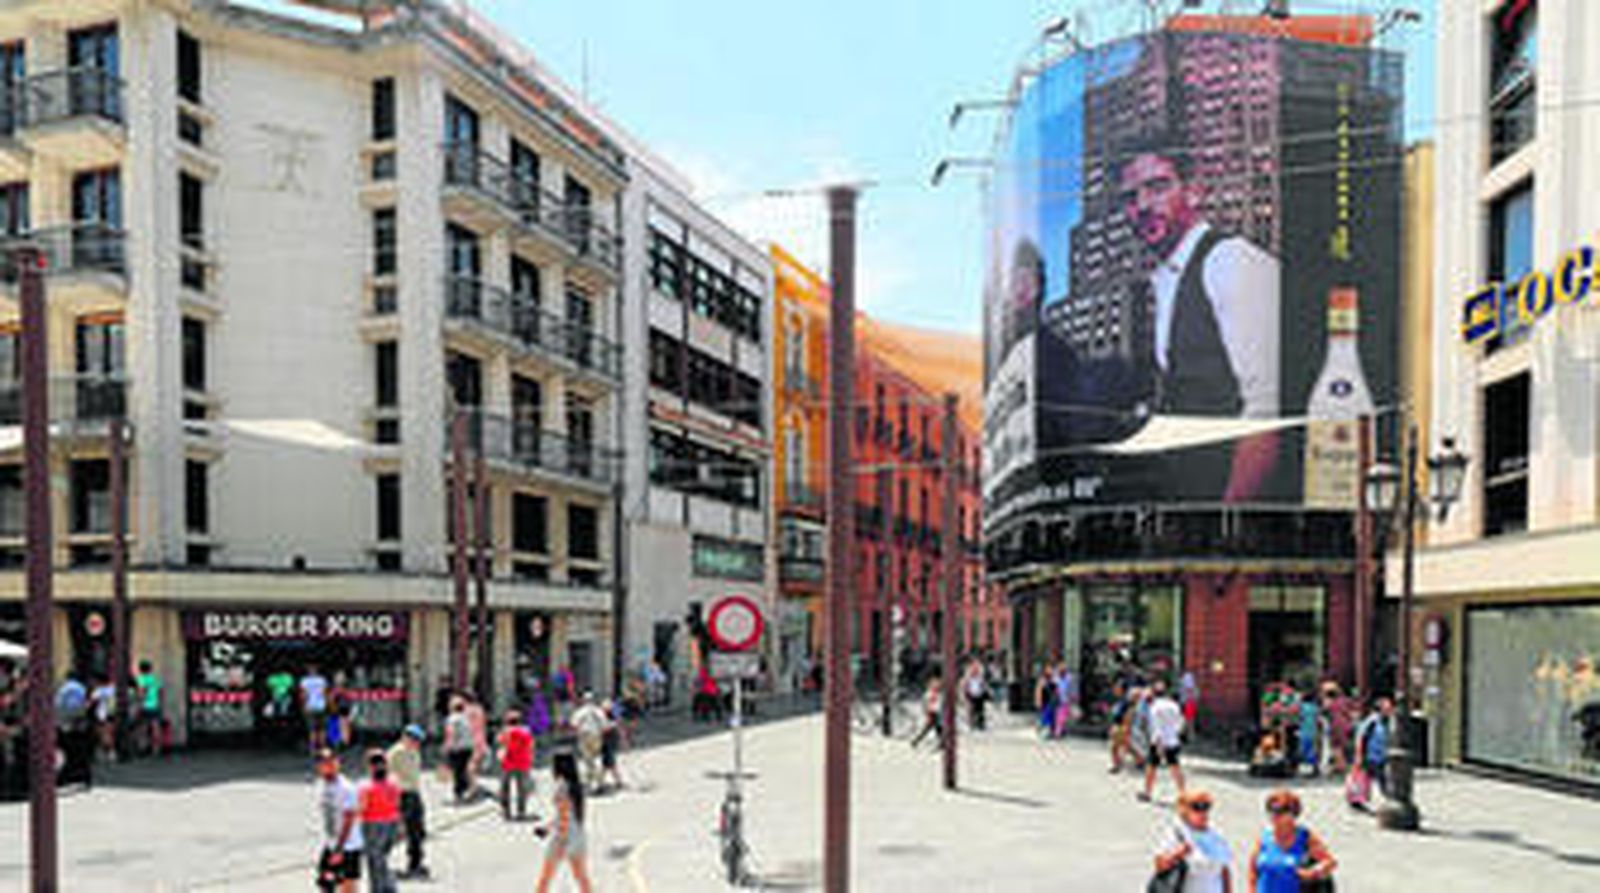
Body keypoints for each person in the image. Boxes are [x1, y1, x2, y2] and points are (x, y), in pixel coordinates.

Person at [1118, 141, 1283, 503]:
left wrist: (1227, 523)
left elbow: (1267, 413)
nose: (1143, 206)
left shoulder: (1229, 261)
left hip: (1231, 524)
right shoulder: (1166, 280)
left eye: (1158, 187)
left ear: (1193, 191)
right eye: (1130, 197)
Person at [1248, 789, 1336, 892]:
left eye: (1279, 811)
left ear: (1292, 814)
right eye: (1270, 810)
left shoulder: (1304, 837)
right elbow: (1252, 872)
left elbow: (1330, 862)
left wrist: (1313, 872)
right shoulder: (1264, 838)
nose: (1273, 815)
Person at [1152, 789, 1233, 893]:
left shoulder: (1215, 835)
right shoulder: (1177, 833)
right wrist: (1178, 854)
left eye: (1206, 806)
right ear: (1184, 810)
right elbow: (1159, 865)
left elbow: (1224, 871)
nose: (1202, 812)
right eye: (1196, 807)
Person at [535, 750, 593, 893]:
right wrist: (547, 828)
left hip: (564, 835)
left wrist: (561, 839)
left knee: (545, 878)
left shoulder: (561, 786)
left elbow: (564, 814)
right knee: (581, 878)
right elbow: (569, 814)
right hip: (578, 834)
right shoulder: (576, 786)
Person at [312, 748, 363, 893]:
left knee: (348, 884)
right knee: (325, 882)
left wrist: (339, 850)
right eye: (324, 763)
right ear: (319, 767)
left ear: (338, 764)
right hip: (331, 842)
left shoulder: (346, 788)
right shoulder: (322, 784)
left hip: (348, 845)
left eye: (332, 762)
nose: (329, 766)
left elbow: (349, 819)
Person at [385, 725, 430, 880]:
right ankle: (381, 861)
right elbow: (388, 774)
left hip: (414, 793)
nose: (417, 743)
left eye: (419, 741)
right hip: (402, 794)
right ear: (406, 737)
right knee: (401, 830)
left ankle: (416, 863)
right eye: (414, 740)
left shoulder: (414, 752)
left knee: (418, 830)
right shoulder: (396, 752)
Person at [357, 748, 401, 893]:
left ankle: (381, 888)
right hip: (391, 824)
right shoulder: (393, 783)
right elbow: (397, 805)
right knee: (382, 857)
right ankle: (388, 885)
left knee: (374, 860)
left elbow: (361, 807)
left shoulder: (366, 786)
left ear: (369, 767)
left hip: (372, 825)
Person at [1141, 681, 1187, 803]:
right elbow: (1181, 722)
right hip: (1173, 740)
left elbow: (1157, 727)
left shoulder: (1155, 707)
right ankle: (1183, 793)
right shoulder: (1174, 705)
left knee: (1151, 767)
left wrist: (1158, 744)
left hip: (1159, 742)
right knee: (1175, 767)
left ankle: (1147, 792)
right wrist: (1176, 734)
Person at [1352, 695, 1393, 803]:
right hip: (1370, 755)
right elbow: (1361, 737)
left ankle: (1388, 797)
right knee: (1364, 777)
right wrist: (1359, 755)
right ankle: (1357, 797)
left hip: (1381, 755)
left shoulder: (1388, 721)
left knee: (1380, 778)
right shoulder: (1372, 721)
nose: (1390, 710)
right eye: (1387, 708)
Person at [55, 672, 92, 787]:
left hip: (66, 723)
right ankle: (80, 775)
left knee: (69, 751)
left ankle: (68, 776)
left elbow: (61, 705)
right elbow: (80, 707)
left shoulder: (64, 689)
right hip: (77, 723)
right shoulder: (81, 689)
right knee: (78, 751)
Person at [497, 709, 535, 821]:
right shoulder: (526, 731)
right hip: (523, 762)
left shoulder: (505, 731)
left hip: (508, 762)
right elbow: (531, 745)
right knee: (522, 788)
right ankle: (521, 811)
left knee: (505, 787)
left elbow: (500, 742)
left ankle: (506, 811)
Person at [570, 692, 608, 792]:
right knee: (597, 757)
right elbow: (605, 725)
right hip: (596, 735)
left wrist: (577, 733)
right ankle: (600, 782)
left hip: (584, 736)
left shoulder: (579, 712)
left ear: (583, 700)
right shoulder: (598, 711)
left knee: (587, 759)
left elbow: (574, 724)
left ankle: (589, 782)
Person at [442, 696, 474, 803]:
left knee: (456, 771)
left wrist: (447, 746)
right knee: (462, 769)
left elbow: (451, 733)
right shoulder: (465, 718)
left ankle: (458, 793)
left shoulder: (452, 719)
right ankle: (464, 790)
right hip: (468, 747)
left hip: (457, 748)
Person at [135, 660, 164, 756]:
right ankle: (156, 749)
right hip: (155, 705)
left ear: (140, 669)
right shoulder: (155, 679)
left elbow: (142, 692)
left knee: (143, 727)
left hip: (145, 706)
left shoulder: (141, 679)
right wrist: (159, 703)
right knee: (156, 727)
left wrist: (139, 704)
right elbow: (160, 692)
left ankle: (142, 747)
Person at [301, 664, 330, 752]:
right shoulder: (322, 680)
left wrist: (304, 706)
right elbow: (324, 694)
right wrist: (328, 704)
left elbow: (304, 695)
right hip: (321, 706)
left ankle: (313, 748)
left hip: (310, 706)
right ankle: (323, 747)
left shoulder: (304, 681)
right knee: (322, 728)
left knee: (312, 729)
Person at [910, 675, 943, 750]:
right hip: (932, 712)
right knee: (929, 729)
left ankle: (942, 743)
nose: (938, 685)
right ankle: (915, 741)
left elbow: (939, 703)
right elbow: (925, 704)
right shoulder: (929, 693)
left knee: (938, 729)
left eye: (938, 684)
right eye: (935, 684)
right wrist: (927, 713)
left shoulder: (938, 693)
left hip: (936, 712)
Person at [89, 674, 116, 763]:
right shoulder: (113, 689)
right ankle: (111, 752)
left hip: (101, 714)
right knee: (109, 732)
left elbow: (91, 701)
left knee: (103, 734)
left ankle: (108, 752)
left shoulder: (99, 691)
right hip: (112, 713)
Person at [599, 698, 625, 791]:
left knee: (608, 764)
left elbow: (619, 729)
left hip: (609, 744)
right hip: (606, 744)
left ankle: (602, 783)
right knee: (609, 764)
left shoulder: (611, 719)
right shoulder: (604, 718)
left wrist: (622, 741)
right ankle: (617, 781)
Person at [1297, 688, 1322, 776]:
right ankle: (1314, 767)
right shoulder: (1315, 707)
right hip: (1313, 730)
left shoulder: (1301, 707)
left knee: (1304, 749)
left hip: (1303, 730)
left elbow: (1299, 718)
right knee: (1312, 749)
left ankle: (1306, 768)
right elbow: (1318, 719)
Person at [963, 659, 988, 731]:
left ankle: (980, 724)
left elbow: (983, 685)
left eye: (977, 668)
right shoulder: (968, 677)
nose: (975, 670)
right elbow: (965, 686)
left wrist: (984, 690)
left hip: (979, 694)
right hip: (971, 695)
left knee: (980, 710)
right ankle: (972, 724)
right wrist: (966, 692)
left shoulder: (980, 677)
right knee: (971, 710)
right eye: (974, 668)